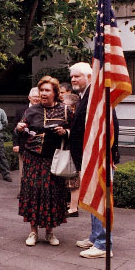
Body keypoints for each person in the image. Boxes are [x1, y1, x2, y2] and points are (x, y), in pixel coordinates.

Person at [69, 62, 119, 258]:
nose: (73, 80)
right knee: (92, 197)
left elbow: (112, 124)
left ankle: (103, 244)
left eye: (77, 76)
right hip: (89, 157)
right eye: (72, 77)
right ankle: (95, 236)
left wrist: (113, 155)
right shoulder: (86, 96)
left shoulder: (97, 95)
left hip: (100, 158)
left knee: (101, 198)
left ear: (89, 77)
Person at [15, 76, 72, 246]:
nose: (43, 93)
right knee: (33, 193)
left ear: (55, 92)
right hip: (33, 159)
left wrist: (65, 132)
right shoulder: (31, 111)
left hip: (53, 159)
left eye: (47, 90)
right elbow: (21, 130)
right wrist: (19, 129)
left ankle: (50, 232)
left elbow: (75, 131)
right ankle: (33, 232)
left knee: (51, 196)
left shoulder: (66, 110)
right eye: (42, 90)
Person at [12, 87, 40, 197]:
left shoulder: (42, 110)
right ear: (29, 98)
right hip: (23, 145)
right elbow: (15, 128)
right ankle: (22, 191)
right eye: (34, 97)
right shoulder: (21, 110)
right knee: (23, 170)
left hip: (37, 146)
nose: (36, 99)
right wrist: (15, 144)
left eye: (38, 97)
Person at [58, 82, 80, 217]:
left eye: (62, 92)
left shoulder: (74, 114)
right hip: (65, 148)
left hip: (72, 149)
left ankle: (73, 207)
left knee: (73, 178)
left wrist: (65, 132)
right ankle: (69, 204)